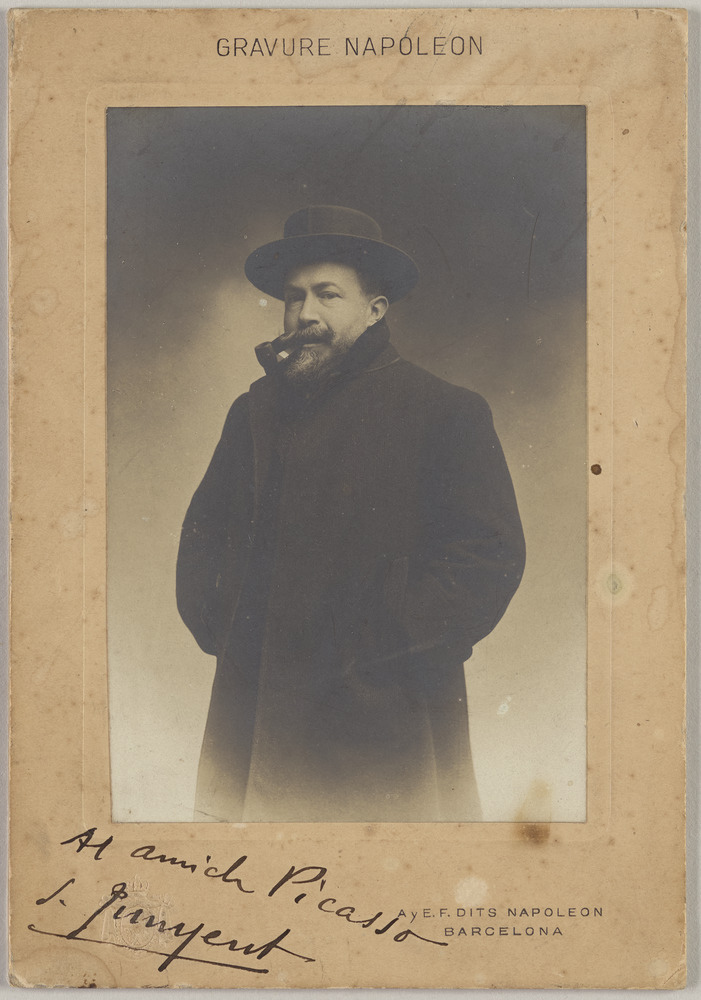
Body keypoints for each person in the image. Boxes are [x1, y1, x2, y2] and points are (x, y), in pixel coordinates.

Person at [176, 205, 526, 823]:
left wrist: (385, 641)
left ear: (375, 309)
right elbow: (204, 536)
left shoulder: (445, 411)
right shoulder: (253, 412)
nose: (305, 313)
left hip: (388, 719)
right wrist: (228, 629)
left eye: (328, 294)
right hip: (254, 719)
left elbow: (488, 556)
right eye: (293, 297)